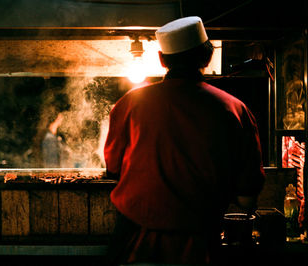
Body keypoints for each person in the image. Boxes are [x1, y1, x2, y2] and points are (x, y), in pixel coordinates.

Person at [104, 16, 265, 265]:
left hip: (134, 239)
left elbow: (113, 169)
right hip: (201, 243)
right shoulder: (234, 109)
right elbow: (247, 198)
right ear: (208, 56)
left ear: (161, 59)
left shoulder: (130, 103)